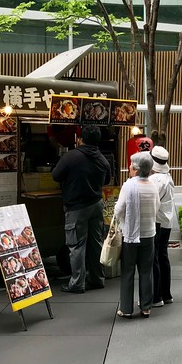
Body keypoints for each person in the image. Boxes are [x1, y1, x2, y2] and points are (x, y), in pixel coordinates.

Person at [51, 125, 112, 293]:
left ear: (80, 139)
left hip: (77, 207)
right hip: (96, 204)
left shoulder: (71, 157)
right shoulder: (102, 159)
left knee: (76, 245)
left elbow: (56, 176)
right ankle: (97, 278)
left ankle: (77, 283)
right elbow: (106, 180)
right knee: (95, 243)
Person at [114, 152, 160, 318]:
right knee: (146, 272)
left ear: (136, 169)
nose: (130, 168)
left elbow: (119, 210)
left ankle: (126, 309)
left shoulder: (129, 185)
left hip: (130, 236)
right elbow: (157, 207)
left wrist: (122, 221)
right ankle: (146, 307)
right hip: (149, 234)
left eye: (132, 165)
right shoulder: (153, 185)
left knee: (128, 272)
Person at [149, 146, 175, 308]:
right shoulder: (167, 177)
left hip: (156, 222)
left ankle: (156, 296)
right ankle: (166, 294)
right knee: (163, 257)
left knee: (154, 259)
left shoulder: (155, 180)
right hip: (166, 221)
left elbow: (151, 202)